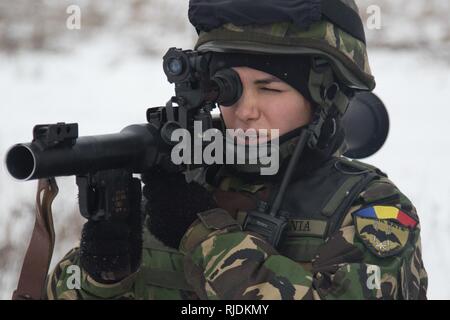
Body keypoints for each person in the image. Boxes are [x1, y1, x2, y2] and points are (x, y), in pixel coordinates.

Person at [46, 0, 427, 300]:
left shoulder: (374, 210)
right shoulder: (184, 181)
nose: (245, 110)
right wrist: (103, 277)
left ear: (325, 97)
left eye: (270, 89)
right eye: (229, 89)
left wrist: (202, 233)